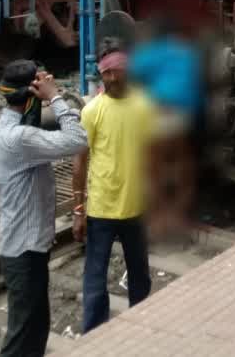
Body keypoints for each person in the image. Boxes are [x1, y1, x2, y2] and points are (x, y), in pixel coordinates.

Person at [0, 60, 89, 357]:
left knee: (36, 329)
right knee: (22, 337)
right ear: (32, 96)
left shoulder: (3, 126)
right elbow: (77, 139)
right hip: (24, 249)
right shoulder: (19, 138)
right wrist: (56, 97)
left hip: (26, 245)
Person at [73, 50, 154, 334]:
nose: (107, 78)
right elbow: (80, 161)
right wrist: (78, 211)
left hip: (136, 207)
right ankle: (95, 335)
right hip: (101, 208)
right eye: (104, 73)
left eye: (112, 72)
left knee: (140, 278)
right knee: (95, 279)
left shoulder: (144, 106)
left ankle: (139, 329)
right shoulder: (93, 110)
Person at [129, 15, 205, 237]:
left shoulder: (150, 52)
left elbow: (134, 77)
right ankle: (180, 217)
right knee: (184, 168)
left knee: (153, 169)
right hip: (184, 117)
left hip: (159, 116)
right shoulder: (186, 50)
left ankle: (158, 220)